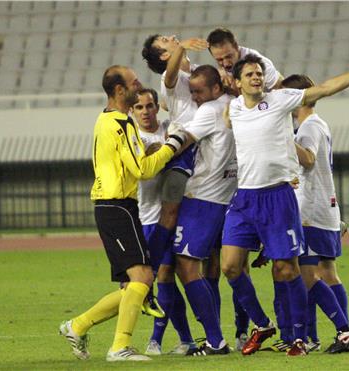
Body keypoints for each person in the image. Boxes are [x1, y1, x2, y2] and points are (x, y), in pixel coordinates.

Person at [221, 44, 349, 357]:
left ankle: (300, 338)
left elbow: (326, 88)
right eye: (250, 74)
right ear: (238, 82)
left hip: (278, 196)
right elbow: (230, 122)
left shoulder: (280, 100)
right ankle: (262, 325)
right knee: (230, 266)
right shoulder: (233, 108)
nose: (257, 77)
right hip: (245, 197)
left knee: (291, 271)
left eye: (260, 73)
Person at [58, 65, 187, 362]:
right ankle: (119, 347)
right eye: (133, 82)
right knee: (142, 276)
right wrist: (173, 145)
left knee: (135, 284)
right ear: (119, 91)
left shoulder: (106, 120)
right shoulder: (120, 124)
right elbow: (143, 170)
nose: (139, 84)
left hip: (114, 207)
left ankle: (76, 326)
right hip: (117, 206)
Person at [142, 34, 247, 348]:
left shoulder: (205, 82)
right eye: (165, 43)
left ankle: (229, 335)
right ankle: (212, 336)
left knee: (211, 264)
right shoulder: (170, 78)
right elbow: (173, 75)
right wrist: (182, 48)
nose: (171, 38)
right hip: (190, 157)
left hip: (209, 174)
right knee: (193, 261)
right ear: (163, 57)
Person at [283, 74, 349, 354]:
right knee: (328, 272)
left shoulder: (308, 128)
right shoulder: (318, 124)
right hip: (326, 208)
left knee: (306, 276)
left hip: (311, 212)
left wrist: (280, 137)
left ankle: (343, 329)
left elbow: (309, 158)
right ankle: (344, 332)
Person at [171, 65, 237, 356]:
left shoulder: (210, 110)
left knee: (184, 265)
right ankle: (222, 334)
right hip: (225, 198)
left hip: (202, 198)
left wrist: (158, 155)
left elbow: (185, 139)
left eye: (199, 91)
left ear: (215, 89)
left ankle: (215, 339)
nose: (195, 97)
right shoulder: (235, 106)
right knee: (211, 268)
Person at [130, 88, 197, 355]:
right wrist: (162, 149)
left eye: (149, 106)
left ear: (158, 107)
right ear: (131, 111)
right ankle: (187, 339)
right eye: (139, 107)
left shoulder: (172, 126)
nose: (145, 112)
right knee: (146, 281)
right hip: (143, 218)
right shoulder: (132, 138)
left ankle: (156, 340)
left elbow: (191, 136)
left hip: (170, 218)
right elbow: (145, 166)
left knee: (166, 276)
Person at [207, 27, 283, 93]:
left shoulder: (260, 64)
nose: (226, 63)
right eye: (219, 60)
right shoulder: (221, 71)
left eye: (228, 56)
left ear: (236, 46)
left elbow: (281, 89)